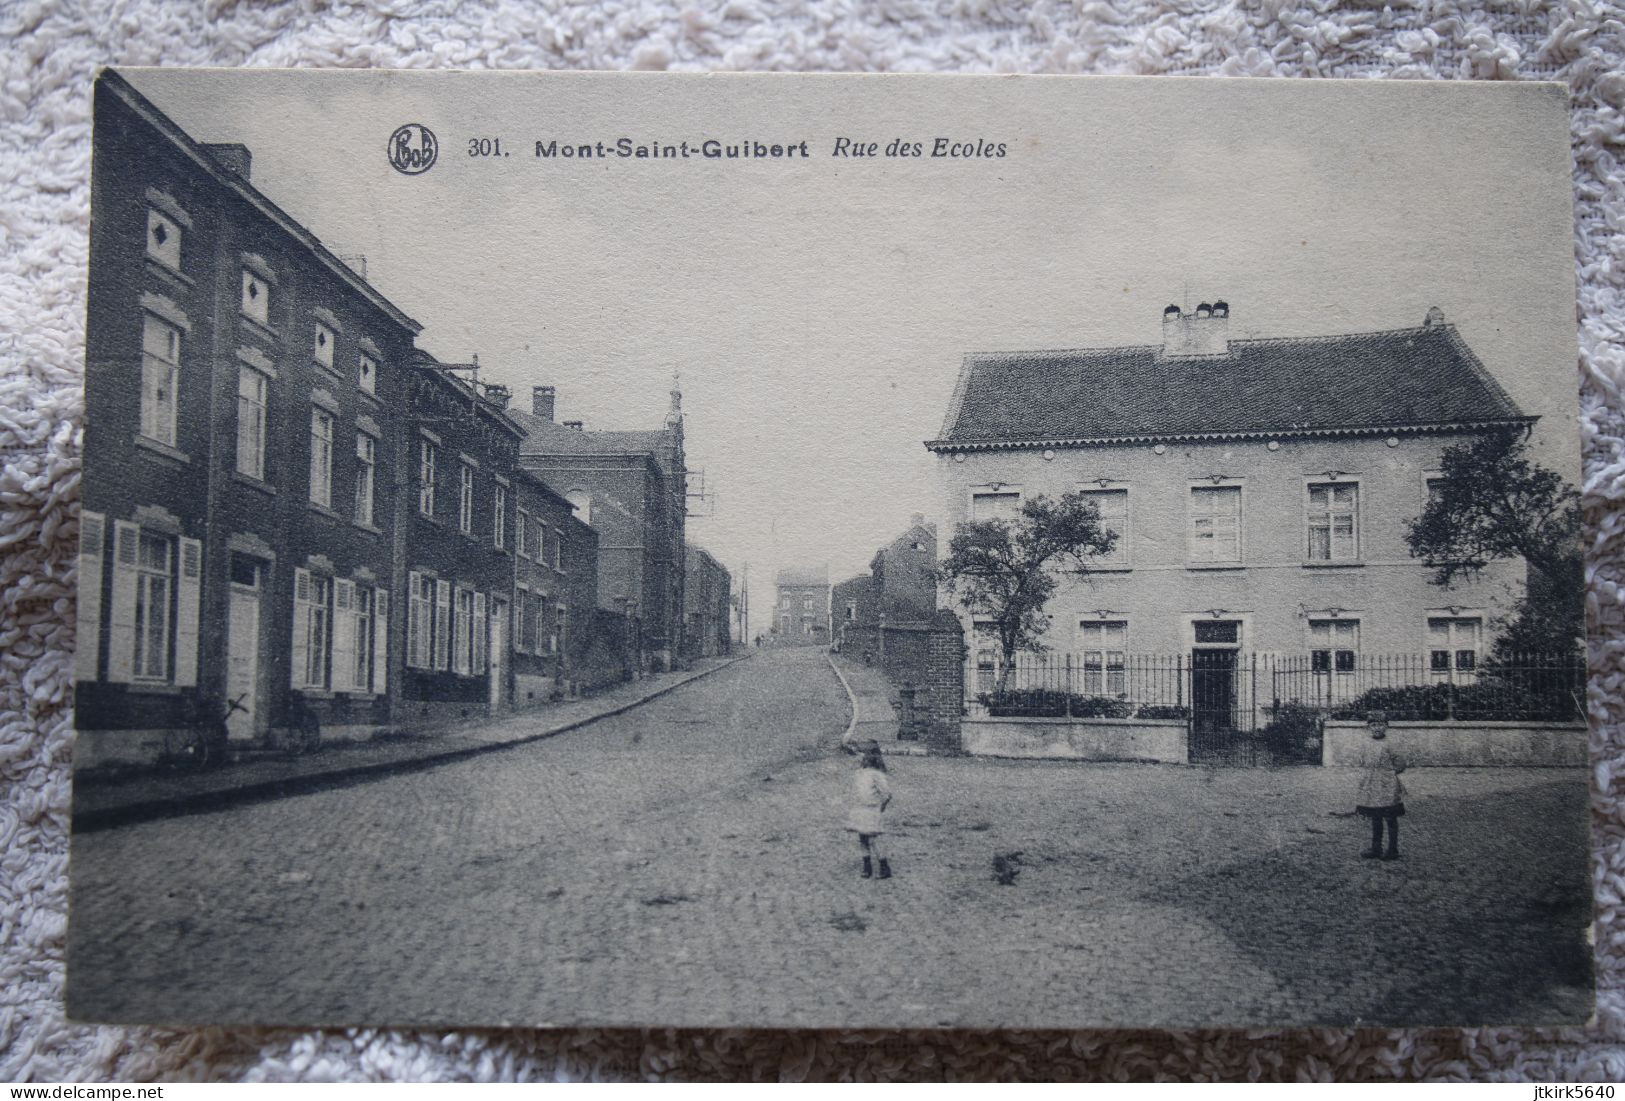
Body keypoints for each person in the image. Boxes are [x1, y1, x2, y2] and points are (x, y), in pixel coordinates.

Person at [1354, 711, 1406, 860]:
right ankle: (1376, 848)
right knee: (1375, 817)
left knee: (1390, 817)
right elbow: (1362, 761)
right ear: (1368, 727)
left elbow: (1400, 763)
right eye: (1373, 725)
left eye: (1381, 725)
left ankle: (1392, 849)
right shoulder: (1365, 744)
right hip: (1372, 785)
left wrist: (1389, 774)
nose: (1377, 728)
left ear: (1386, 726)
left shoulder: (1391, 744)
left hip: (1387, 786)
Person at [847, 740, 893, 879]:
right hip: (859, 809)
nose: (857, 756)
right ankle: (867, 867)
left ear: (868, 756)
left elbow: (887, 794)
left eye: (860, 754)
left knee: (873, 839)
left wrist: (881, 808)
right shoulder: (859, 773)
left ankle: (884, 867)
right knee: (862, 838)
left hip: (871, 809)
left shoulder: (876, 774)